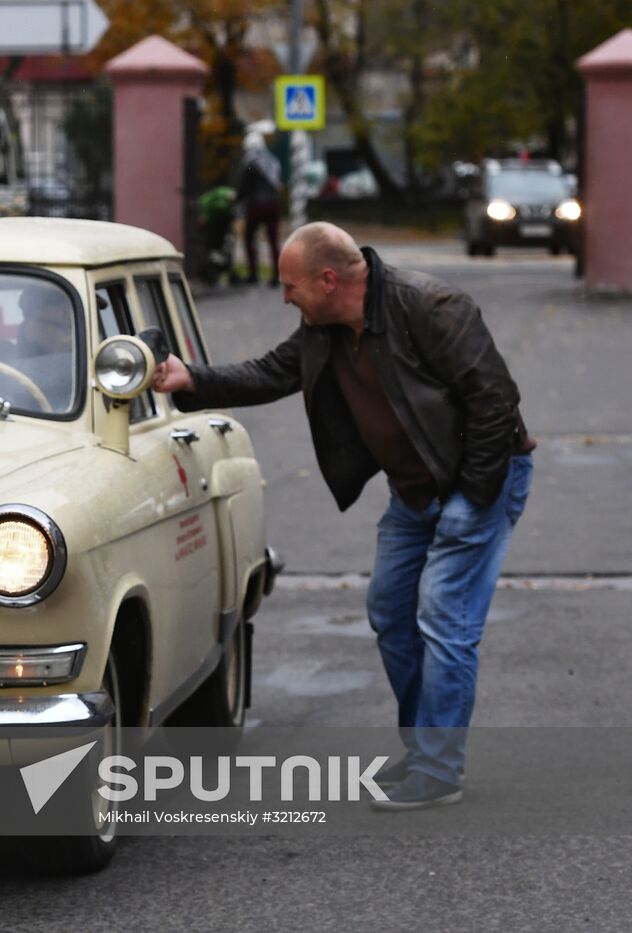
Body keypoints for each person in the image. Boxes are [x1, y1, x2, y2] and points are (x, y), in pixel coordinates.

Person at [151, 222, 535, 810]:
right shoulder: (322, 328)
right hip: (414, 493)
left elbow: (495, 401)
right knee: (389, 612)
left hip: (477, 483)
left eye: (290, 285)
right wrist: (192, 379)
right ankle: (427, 750)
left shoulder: (431, 306)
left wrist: (470, 500)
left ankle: (438, 769)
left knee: (444, 619)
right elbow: (272, 372)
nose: (284, 296)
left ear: (328, 280)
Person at [233, 132, 283, 286]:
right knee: (273, 240)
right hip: (273, 204)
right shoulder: (272, 161)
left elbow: (245, 186)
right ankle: (276, 275)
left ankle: (253, 274)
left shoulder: (250, 161)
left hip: (256, 205)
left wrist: (236, 200)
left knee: (249, 237)